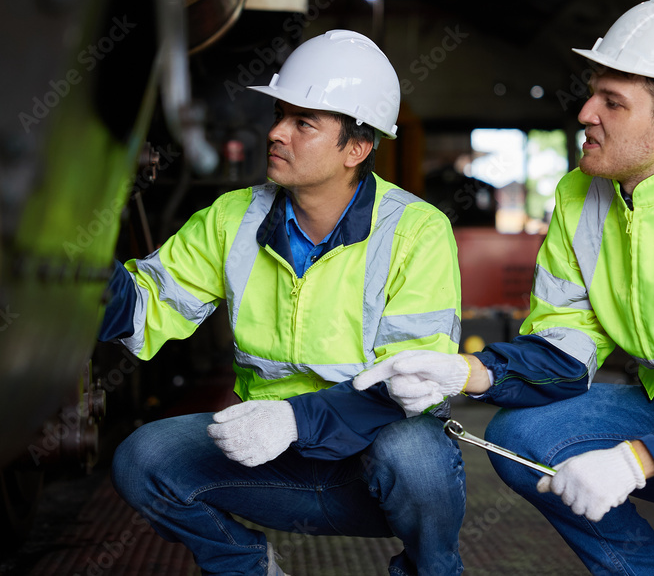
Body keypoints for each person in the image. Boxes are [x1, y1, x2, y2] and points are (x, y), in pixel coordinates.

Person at [354, 0, 654, 574]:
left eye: (612, 102)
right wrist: (465, 372)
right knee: (525, 438)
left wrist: (637, 461)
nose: (586, 112)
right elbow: (565, 344)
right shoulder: (582, 197)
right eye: (593, 93)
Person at [100, 29, 466, 576]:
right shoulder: (233, 217)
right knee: (142, 459)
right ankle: (249, 567)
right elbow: (144, 309)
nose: (275, 133)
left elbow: (411, 385)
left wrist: (295, 419)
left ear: (358, 148)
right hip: (271, 460)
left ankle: (430, 570)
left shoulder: (416, 231)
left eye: (303, 123)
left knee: (418, 456)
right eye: (280, 114)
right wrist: (79, 254)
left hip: (370, 465)